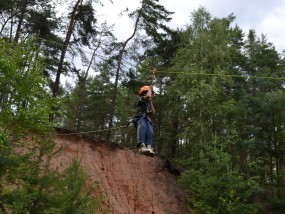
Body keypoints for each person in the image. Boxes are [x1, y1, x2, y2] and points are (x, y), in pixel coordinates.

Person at [132, 85, 156, 156]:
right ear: (144, 93)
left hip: (146, 118)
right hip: (140, 118)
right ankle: (141, 146)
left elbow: (153, 112)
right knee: (143, 126)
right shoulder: (140, 98)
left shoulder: (147, 103)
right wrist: (150, 89)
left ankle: (148, 146)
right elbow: (147, 97)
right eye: (150, 93)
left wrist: (151, 102)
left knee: (150, 130)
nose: (151, 95)